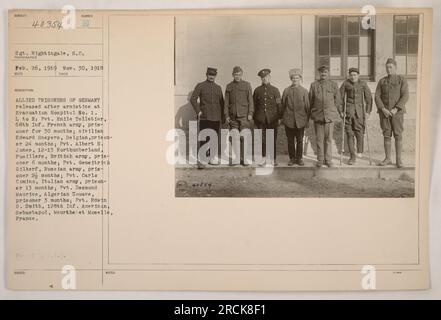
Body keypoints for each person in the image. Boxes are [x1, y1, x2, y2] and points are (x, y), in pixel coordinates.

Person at [374, 58, 409, 168]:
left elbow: (405, 95)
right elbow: (377, 96)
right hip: (384, 114)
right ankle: (388, 158)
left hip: (397, 113)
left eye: (391, 67)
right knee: (386, 135)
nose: (388, 69)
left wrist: (396, 109)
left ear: (395, 68)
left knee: (398, 135)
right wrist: (382, 108)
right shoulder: (382, 81)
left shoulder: (401, 80)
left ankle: (398, 160)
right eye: (387, 67)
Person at [190, 67, 224, 166]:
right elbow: (193, 99)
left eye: (213, 75)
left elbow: (221, 103)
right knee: (204, 137)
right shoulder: (200, 86)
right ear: (206, 74)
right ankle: (203, 158)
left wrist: (222, 116)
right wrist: (198, 111)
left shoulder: (218, 87)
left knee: (214, 137)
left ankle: (212, 157)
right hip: (205, 116)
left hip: (216, 117)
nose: (211, 77)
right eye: (210, 74)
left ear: (215, 76)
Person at [309, 65, 341, 167]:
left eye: (325, 72)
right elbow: (311, 100)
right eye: (322, 72)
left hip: (329, 117)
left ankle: (328, 160)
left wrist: (331, 110)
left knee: (328, 139)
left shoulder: (333, 85)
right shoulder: (314, 85)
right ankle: (320, 159)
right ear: (319, 73)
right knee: (319, 139)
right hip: (318, 116)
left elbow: (338, 100)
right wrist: (313, 113)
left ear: (328, 73)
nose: (323, 74)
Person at [339, 67, 373, 165]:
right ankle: (352, 156)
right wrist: (341, 111)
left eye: (355, 75)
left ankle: (359, 150)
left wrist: (367, 112)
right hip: (348, 113)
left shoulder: (363, 84)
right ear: (349, 76)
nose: (353, 77)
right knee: (349, 134)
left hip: (360, 113)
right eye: (351, 75)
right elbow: (339, 99)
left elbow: (369, 99)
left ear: (358, 75)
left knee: (359, 133)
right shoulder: (345, 84)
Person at [224, 66, 254, 166]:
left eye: (239, 74)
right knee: (235, 136)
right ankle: (237, 158)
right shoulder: (229, 86)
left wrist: (250, 113)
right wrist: (226, 115)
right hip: (233, 117)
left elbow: (251, 101)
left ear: (242, 75)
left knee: (244, 136)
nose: (237, 76)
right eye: (236, 74)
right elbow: (226, 103)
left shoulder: (247, 85)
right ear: (233, 75)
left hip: (244, 116)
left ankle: (244, 158)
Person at [281, 68, 310, 166]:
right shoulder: (286, 91)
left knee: (300, 140)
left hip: (300, 121)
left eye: (297, 78)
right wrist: (282, 118)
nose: (295, 80)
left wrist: (307, 121)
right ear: (291, 79)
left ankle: (299, 158)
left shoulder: (304, 91)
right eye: (293, 78)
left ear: (300, 79)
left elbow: (307, 107)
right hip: (289, 120)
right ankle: (292, 158)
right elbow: (283, 105)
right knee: (290, 141)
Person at [253, 69, 282, 166]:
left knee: (272, 138)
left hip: (272, 119)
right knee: (262, 139)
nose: (264, 79)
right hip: (260, 119)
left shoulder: (275, 90)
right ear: (261, 79)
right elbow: (254, 105)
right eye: (262, 77)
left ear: (269, 77)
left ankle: (273, 158)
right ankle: (263, 158)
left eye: (266, 77)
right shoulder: (257, 90)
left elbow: (279, 105)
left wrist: (279, 118)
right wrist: (255, 119)